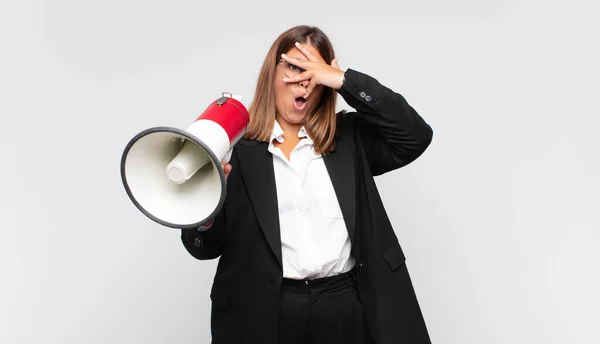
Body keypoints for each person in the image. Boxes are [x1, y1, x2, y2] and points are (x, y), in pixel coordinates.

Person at [180, 25, 433, 344]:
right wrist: (206, 204)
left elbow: (415, 136)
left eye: (315, 73)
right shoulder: (234, 149)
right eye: (294, 67)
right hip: (263, 310)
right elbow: (202, 248)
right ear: (271, 73)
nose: (304, 81)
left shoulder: (348, 140)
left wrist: (343, 80)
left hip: (343, 305)